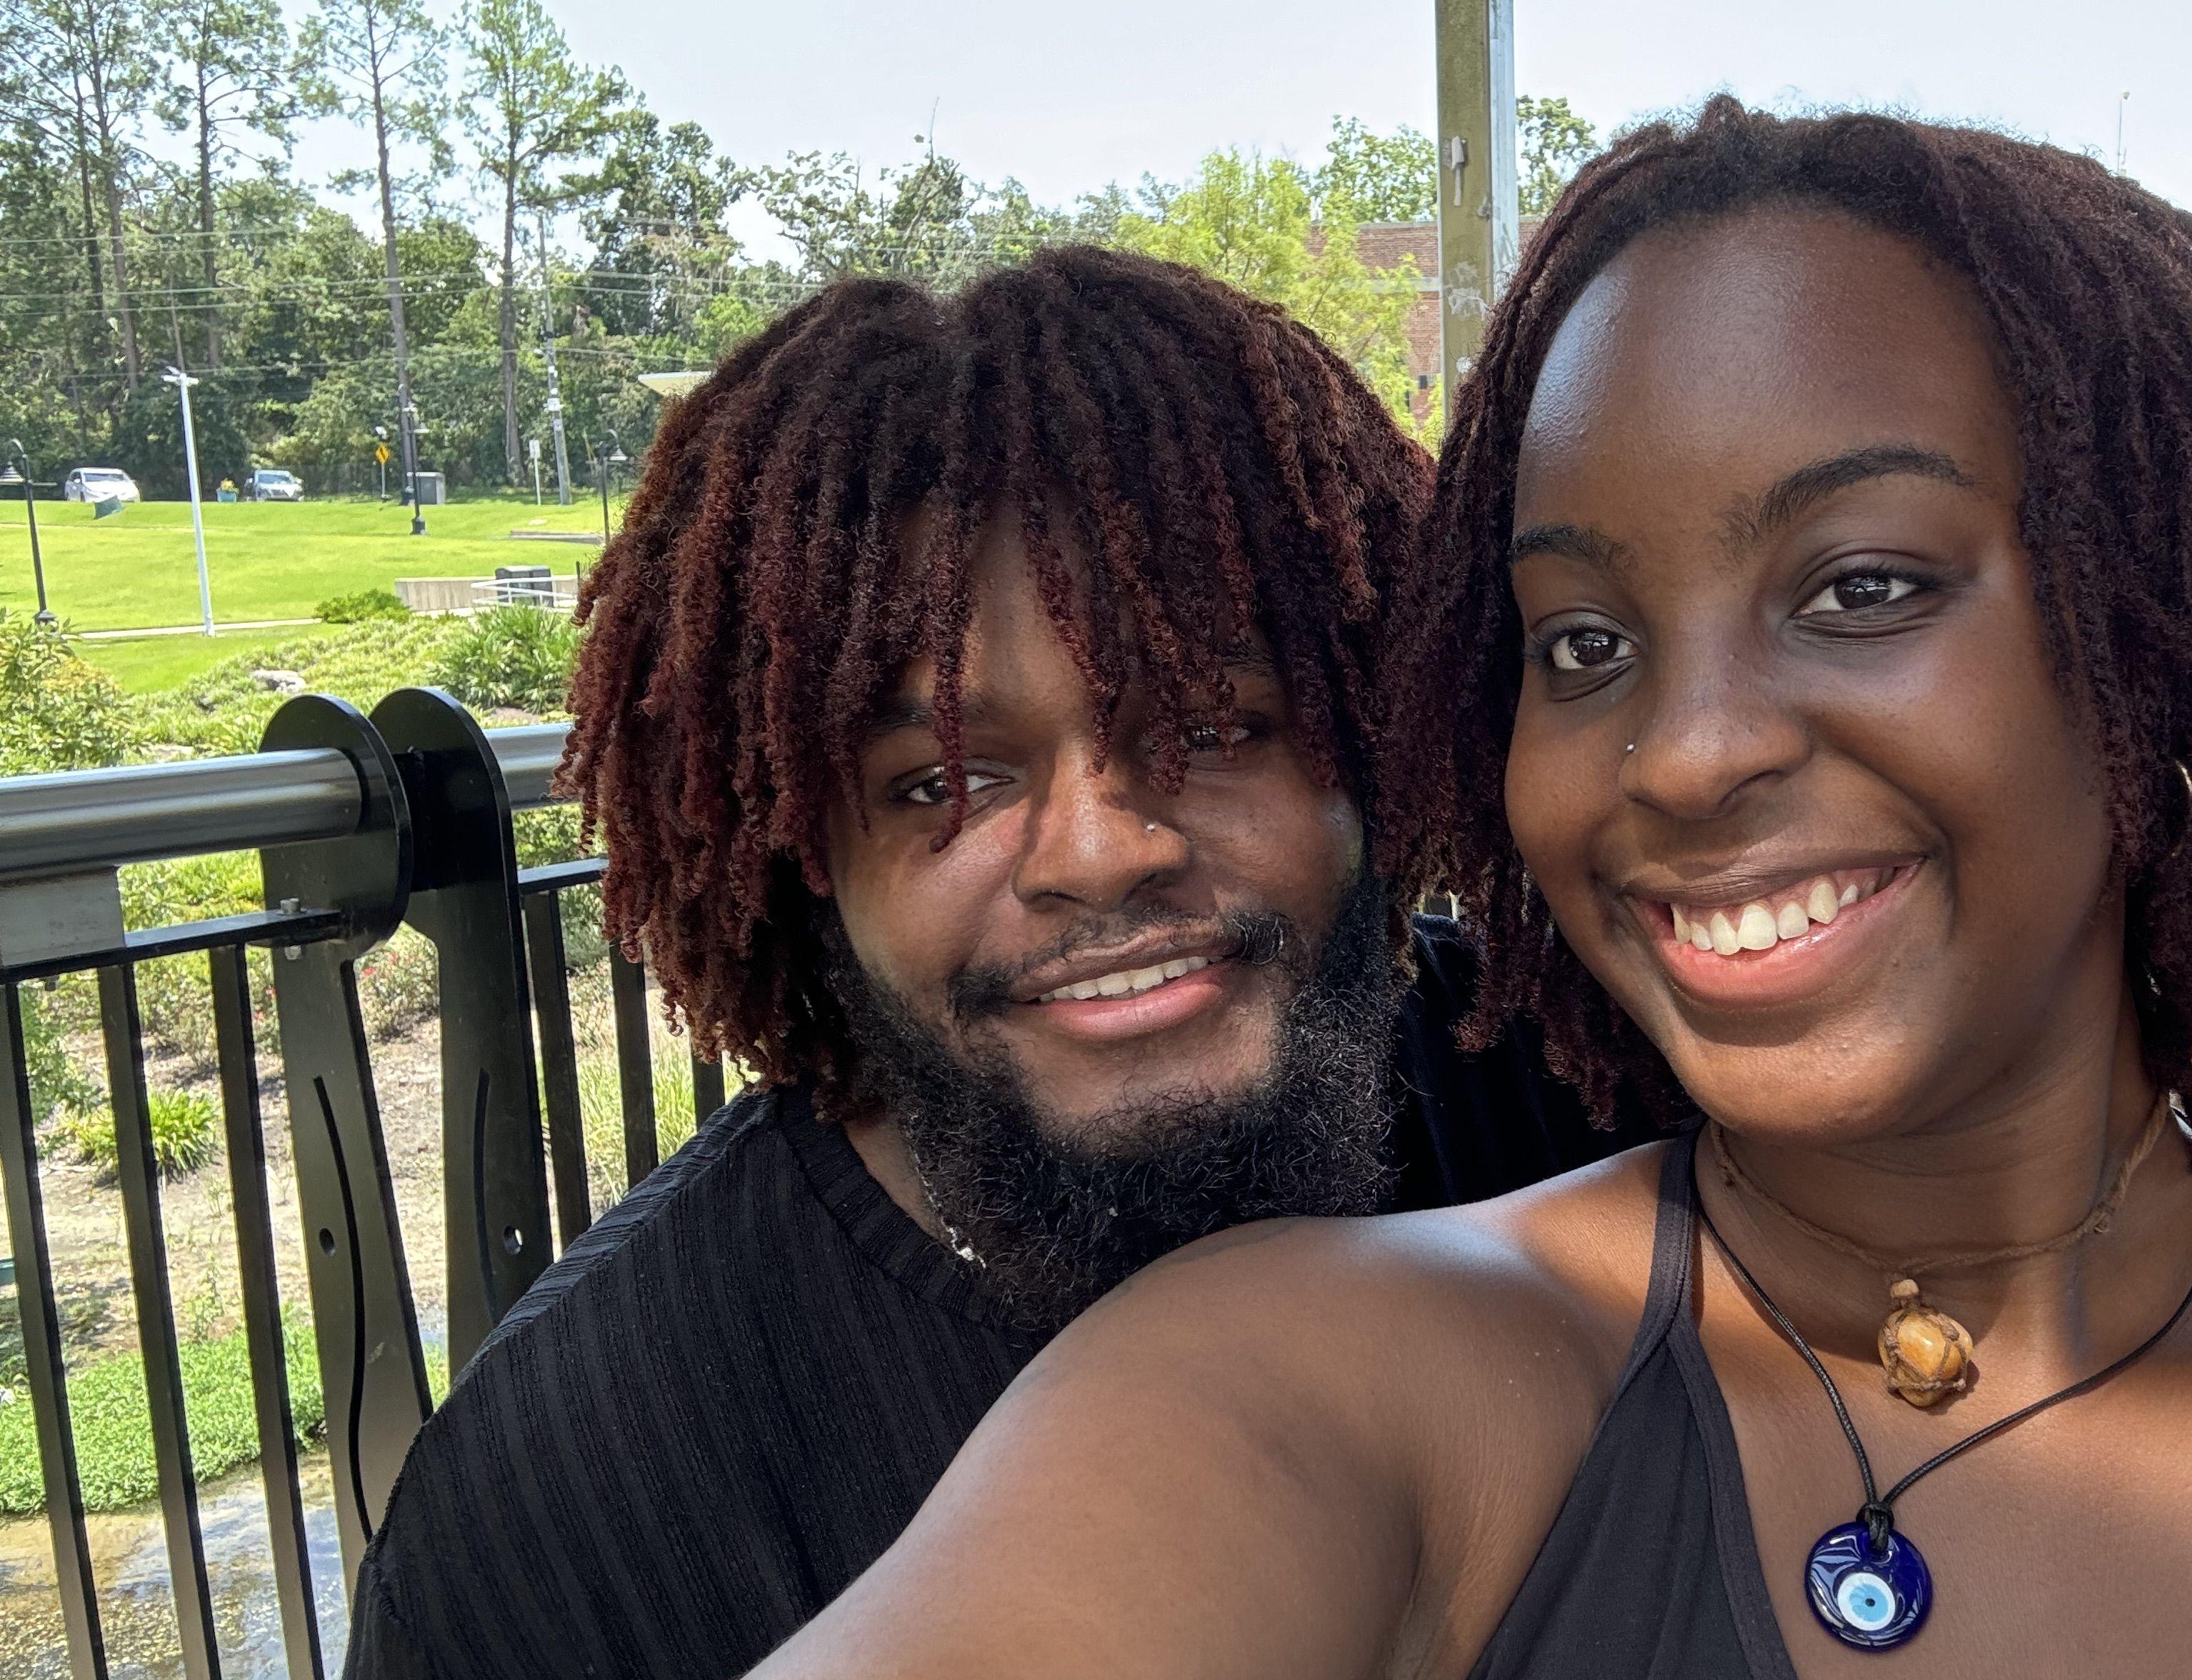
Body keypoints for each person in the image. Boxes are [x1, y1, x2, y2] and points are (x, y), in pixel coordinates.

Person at [757, 101, 2192, 1679]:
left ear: (2158, 649)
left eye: (1861, 587)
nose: (1684, 752)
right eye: (1585, 641)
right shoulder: (1306, 1378)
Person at [340, 250, 1623, 1680]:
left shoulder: (1599, 1102)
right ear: (807, 848)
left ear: (1371, 735)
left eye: (1212, 729)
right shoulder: (555, 1517)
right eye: (943, 781)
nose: (1101, 852)